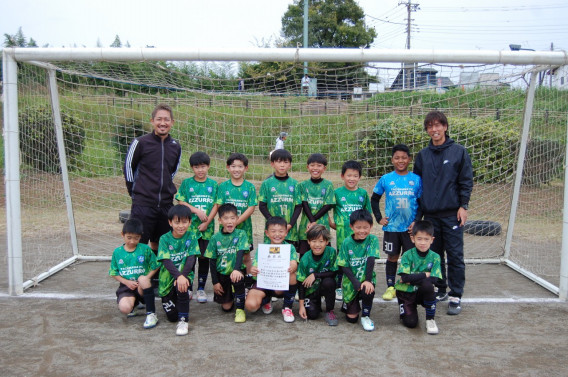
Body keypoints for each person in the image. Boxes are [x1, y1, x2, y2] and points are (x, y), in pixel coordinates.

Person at [413, 110, 473, 315]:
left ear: (445, 127)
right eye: (430, 126)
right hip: (430, 215)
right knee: (434, 255)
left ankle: (456, 294)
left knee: (455, 255)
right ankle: (441, 288)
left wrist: (463, 206)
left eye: (438, 125)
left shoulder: (459, 152)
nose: (434, 129)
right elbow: (418, 189)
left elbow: (465, 181)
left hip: (452, 215)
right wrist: (417, 218)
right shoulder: (423, 155)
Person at [123, 104, 182, 255]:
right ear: (152, 121)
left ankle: (156, 277)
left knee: (161, 243)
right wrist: (136, 193)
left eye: (166, 120)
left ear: (172, 122)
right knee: (138, 242)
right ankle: (136, 277)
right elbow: (128, 168)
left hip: (165, 205)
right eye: (159, 119)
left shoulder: (176, 146)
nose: (163, 123)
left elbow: (172, 171)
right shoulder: (140, 143)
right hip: (143, 204)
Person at [371, 144, 422, 302]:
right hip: (392, 227)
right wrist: (379, 217)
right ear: (392, 160)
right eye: (397, 158)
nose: (401, 160)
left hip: (409, 229)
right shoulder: (386, 179)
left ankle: (407, 282)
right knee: (392, 257)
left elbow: (421, 203)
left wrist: (416, 221)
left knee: (410, 257)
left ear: (409, 159)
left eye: (404, 158)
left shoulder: (416, 179)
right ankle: (391, 286)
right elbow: (374, 199)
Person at [175, 151, 218, 303]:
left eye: (203, 166)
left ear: (208, 167)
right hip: (190, 230)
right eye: (196, 167)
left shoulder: (213, 184)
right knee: (190, 259)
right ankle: (187, 288)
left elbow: (216, 205)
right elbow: (181, 201)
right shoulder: (187, 183)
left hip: (207, 230)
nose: (200, 170)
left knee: (204, 259)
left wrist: (207, 222)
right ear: (192, 168)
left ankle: (200, 288)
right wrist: (196, 211)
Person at [329, 160, 371, 301]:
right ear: (342, 176)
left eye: (355, 176)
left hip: (359, 235)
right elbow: (327, 209)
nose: (351, 179)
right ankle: (339, 287)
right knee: (342, 260)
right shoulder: (337, 193)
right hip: (342, 235)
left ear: (359, 177)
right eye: (349, 175)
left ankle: (358, 283)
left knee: (357, 259)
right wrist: (331, 223)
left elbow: (368, 214)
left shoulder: (363, 193)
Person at [244, 216, 299, 323]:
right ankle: (266, 300)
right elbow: (254, 267)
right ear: (267, 233)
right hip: (265, 282)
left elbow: (294, 262)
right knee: (251, 306)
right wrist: (254, 269)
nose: (277, 234)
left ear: (286, 232)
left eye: (280, 231)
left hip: (281, 283)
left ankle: (287, 308)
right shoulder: (263, 249)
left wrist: (293, 265)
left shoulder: (290, 248)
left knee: (292, 275)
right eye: (273, 231)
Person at [157, 205, 200, 336]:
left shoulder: (191, 236)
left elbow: (191, 259)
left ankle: (183, 321)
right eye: (177, 222)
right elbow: (166, 261)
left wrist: (183, 277)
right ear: (170, 222)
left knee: (182, 286)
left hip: (185, 275)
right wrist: (178, 276)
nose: (181, 226)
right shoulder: (164, 238)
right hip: (168, 278)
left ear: (190, 222)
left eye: (184, 222)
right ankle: (177, 306)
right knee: (171, 316)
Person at [109, 218, 160, 329]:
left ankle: (151, 314)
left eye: (136, 238)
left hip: (142, 286)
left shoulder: (145, 249)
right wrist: (126, 282)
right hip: (126, 286)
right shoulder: (117, 252)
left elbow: (156, 265)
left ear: (140, 236)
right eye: (129, 238)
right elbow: (113, 272)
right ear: (122, 234)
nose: (132, 241)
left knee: (142, 279)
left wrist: (147, 278)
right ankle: (133, 305)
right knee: (124, 308)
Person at [216, 153, 257, 288]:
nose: (236, 169)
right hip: (227, 229)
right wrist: (228, 222)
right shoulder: (223, 186)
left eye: (240, 166)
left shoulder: (249, 187)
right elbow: (220, 206)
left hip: (244, 229)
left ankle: (249, 281)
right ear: (228, 168)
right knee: (228, 254)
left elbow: (251, 208)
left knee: (246, 256)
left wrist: (236, 222)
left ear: (246, 168)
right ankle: (229, 282)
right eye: (233, 166)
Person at [204, 204, 250, 323]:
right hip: (222, 274)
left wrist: (237, 269)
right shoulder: (215, 238)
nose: (229, 221)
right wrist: (215, 282)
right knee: (226, 307)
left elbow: (240, 253)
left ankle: (240, 309)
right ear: (219, 221)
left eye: (232, 218)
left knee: (237, 278)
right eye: (226, 218)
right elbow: (212, 261)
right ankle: (233, 294)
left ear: (237, 219)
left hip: (236, 271)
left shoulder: (241, 234)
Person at [395, 220, 442, 335]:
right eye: (419, 239)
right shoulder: (407, 255)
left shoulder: (435, 257)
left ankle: (430, 319)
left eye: (426, 239)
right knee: (410, 323)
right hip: (405, 293)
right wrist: (425, 274)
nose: (423, 243)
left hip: (420, 291)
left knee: (428, 286)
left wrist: (411, 279)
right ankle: (407, 307)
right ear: (413, 239)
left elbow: (434, 280)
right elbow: (404, 278)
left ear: (432, 240)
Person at [337, 209, 380, 331]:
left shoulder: (372, 239)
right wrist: (355, 282)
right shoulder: (346, 242)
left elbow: (371, 259)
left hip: (366, 278)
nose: (362, 231)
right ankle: (349, 302)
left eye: (365, 227)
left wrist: (367, 280)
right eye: (358, 227)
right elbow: (343, 265)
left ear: (371, 226)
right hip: (351, 282)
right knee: (351, 319)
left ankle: (366, 316)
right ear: (351, 227)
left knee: (368, 289)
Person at [258, 149, 302, 247]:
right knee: (272, 259)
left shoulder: (295, 184)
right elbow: (262, 205)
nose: (282, 165)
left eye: (285, 162)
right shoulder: (267, 183)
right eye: (278, 161)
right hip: (272, 232)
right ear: (272, 164)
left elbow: (298, 206)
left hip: (290, 232)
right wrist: (273, 224)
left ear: (290, 165)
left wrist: (290, 224)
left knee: (290, 259)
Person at [297, 224, 338, 326]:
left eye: (321, 241)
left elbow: (335, 272)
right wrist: (301, 306)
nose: (317, 245)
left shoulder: (332, 252)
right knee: (312, 315)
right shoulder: (305, 258)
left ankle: (329, 311)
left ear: (326, 242)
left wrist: (316, 275)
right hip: (311, 289)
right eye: (314, 241)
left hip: (324, 285)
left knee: (329, 282)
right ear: (309, 242)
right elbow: (300, 283)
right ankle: (316, 302)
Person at [297, 153, 336, 258]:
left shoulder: (328, 185)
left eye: (319, 165)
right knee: (304, 256)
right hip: (306, 228)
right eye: (312, 165)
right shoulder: (302, 185)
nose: (315, 168)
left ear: (324, 168)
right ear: (307, 167)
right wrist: (312, 220)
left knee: (324, 257)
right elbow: (304, 204)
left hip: (322, 227)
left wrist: (313, 221)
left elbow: (328, 205)